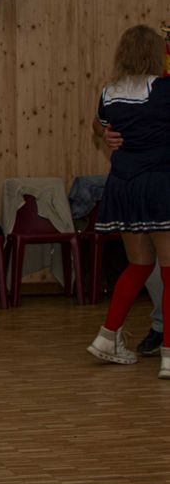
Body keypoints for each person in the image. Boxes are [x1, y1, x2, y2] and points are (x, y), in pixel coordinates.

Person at [86, 24, 170, 379]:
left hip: (123, 186)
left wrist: (105, 133)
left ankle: (107, 337)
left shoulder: (110, 91)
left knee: (138, 266)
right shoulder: (164, 90)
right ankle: (169, 356)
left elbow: (98, 124)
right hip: (160, 185)